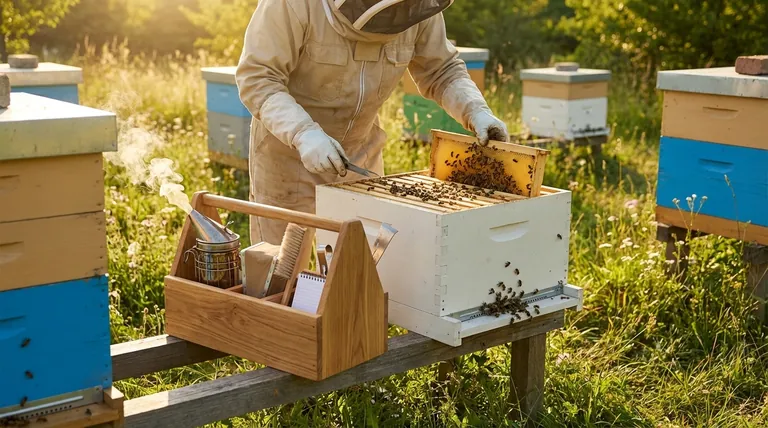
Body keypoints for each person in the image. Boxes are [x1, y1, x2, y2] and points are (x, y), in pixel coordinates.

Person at [235, 0, 509, 245]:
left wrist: (476, 111)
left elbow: (442, 70)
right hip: (288, 156)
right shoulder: (293, 5)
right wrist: (303, 133)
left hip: (360, 154)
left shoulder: (417, 6)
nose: (395, 18)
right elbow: (258, 78)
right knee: (279, 267)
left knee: (361, 268)